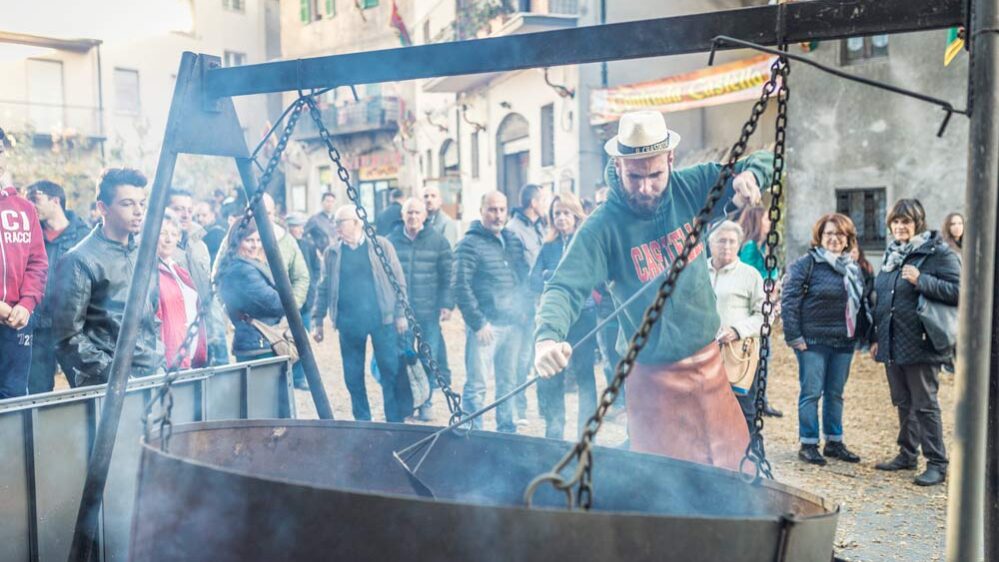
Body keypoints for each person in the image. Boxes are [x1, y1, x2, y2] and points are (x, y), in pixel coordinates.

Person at [534, 110, 770, 469]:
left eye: (655, 175)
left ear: (670, 160)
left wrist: (751, 175)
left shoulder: (692, 186)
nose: (645, 187)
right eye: (634, 176)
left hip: (710, 365)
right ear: (618, 165)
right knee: (660, 479)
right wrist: (547, 338)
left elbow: (767, 158)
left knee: (730, 469)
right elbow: (564, 286)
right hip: (652, 376)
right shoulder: (603, 226)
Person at [871, 198, 959, 487]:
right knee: (903, 402)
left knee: (924, 404)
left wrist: (922, 280)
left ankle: (937, 462)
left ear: (917, 222)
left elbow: (960, 291)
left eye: (906, 221)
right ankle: (907, 453)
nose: (900, 227)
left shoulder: (937, 253)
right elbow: (883, 300)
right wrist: (876, 338)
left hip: (922, 342)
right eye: (895, 222)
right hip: (893, 342)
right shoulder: (892, 255)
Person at [53, 168, 164, 387]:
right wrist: (112, 374)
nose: (139, 211)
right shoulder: (79, 260)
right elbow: (67, 336)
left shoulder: (145, 254)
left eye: (142, 203)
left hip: (153, 373)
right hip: (106, 384)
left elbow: (152, 314)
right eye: (127, 204)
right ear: (103, 208)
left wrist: (160, 358)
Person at [780, 213, 867, 466]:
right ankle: (808, 443)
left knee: (835, 393)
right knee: (811, 392)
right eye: (829, 233)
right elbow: (789, 302)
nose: (834, 239)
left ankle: (834, 442)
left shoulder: (853, 268)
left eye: (840, 234)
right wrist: (794, 336)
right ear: (820, 236)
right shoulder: (805, 265)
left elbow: (861, 304)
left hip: (843, 340)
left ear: (848, 238)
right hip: (812, 341)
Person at [312, 205, 411, 422]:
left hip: (381, 320)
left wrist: (401, 313)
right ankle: (362, 422)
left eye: (341, 222)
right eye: (335, 223)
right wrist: (317, 320)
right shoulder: (332, 253)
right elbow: (323, 287)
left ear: (357, 222)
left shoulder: (381, 246)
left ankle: (394, 422)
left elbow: (399, 282)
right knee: (353, 376)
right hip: (349, 323)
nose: (336, 227)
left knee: (389, 371)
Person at [453, 191, 529, 433]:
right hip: (486, 327)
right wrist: (477, 322)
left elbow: (524, 279)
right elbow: (459, 285)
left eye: (502, 210)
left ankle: (506, 431)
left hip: (512, 324)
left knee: (508, 382)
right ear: (481, 211)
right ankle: (472, 434)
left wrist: (524, 313)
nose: (497, 215)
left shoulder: (513, 241)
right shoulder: (469, 244)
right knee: (477, 385)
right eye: (492, 209)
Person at [530, 192, 597, 439]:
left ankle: (586, 433)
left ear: (576, 216)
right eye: (556, 213)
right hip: (556, 322)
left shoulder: (586, 242)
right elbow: (533, 280)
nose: (561, 218)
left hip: (584, 317)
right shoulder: (549, 247)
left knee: (585, 375)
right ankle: (554, 430)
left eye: (566, 213)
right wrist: (554, 277)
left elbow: (594, 277)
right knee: (553, 376)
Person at [387, 198, 454, 421]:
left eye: (417, 213)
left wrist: (446, 304)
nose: (413, 217)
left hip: (428, 311)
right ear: (403, 215)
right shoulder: (391, 241)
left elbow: (448, 276)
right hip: (402, 313)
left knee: (428, 357)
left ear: (425, 215)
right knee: (403, 358)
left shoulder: (438, 241)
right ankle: (406, 403)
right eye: (409, 213)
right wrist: (396, 311)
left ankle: (426, 402)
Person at [25, 180, 92, 393]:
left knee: (84, 389)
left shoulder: (85, 235)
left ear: (55, 200)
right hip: (39, 328)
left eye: (35, 200)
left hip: (74, 329)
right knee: (37, 392)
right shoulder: (29, 235)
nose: (30, 205)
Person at [0, 146, 48, 399]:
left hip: (16, 323)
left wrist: (27, 304)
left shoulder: (25, 209)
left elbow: (37, 262)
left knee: (14, 400)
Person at [707, 221, 764, 430]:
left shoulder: (750, 275)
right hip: (703, 351)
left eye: (732, 241)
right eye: (722, 241)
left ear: (739, 244)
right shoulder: (699, 272)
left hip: (737, 353)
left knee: (742, 407)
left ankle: (749, 456)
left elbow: (764, 316)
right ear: (710, 243)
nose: (727, 246)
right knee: (706, 406)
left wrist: (737, 330)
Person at [214, 192, 311, 312]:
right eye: (257, 212)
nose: (262, 217)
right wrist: (226, 311)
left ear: (274, 213)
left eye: (268, 213)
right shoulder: (235, 237)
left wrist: (292, 309)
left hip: (282, 313)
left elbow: (301, 276)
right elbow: (218, 273)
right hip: (244, 317)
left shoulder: (286, 240)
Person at [505, 183, 550, 425]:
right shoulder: (514, 230)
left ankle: (544, 407)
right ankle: (519, 409)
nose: (544, 205)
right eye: (542, 200)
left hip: (540, 304)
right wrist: (521, 308)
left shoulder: (540, 227)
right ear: (533, 203)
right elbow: (516, 272)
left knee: (539, 357)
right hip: (524, 306)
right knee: (521, 360)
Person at [169, 188, 228, 365]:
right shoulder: (159, 246)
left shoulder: (199, 244)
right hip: (180, 335)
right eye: (179, 209)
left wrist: (217, 327)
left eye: (189, 210)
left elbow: (207, 286)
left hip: (211, 328)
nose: (186, 215)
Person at [736, 204, 783, 418]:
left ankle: (761, 401)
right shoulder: (749, 249)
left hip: (766, 309)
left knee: (764, 357)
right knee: (755, 358)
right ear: (756, 222)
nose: (770, 223)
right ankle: (753, 402)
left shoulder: (765, 248)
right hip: (753, 312)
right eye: (766, 219)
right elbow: (749, 280)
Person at [216, 219, 285, 362]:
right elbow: (274, 304)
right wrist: (288, 298)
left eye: (258, 240)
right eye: (249, 240)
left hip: (259, 339)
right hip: (257, 342)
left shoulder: (247, 265)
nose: (255, 246)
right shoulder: (242, 271)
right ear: (237, 242)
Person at [157, 211, 207, 370]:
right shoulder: (148, 272)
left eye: (174, 233)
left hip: (191, 359)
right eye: (163, 233)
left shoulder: (180, 271)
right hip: (169, 363)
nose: (168, 239)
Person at [287, 212, 321, 390]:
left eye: (301, 226)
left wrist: (313, 285)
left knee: (303, 340)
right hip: (287, 301)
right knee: (284, 340)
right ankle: (288, 376)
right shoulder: (283, 245)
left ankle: (299, 376)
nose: (300, 230)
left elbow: (316, 267)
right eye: (297, 226)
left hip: (306, 302)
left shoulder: (307, 245)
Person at [194, 200, 226, 265]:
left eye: (204, 215)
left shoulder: (217, 234)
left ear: (212, 215)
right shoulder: (201, 231)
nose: (200, 219)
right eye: (197, 215)